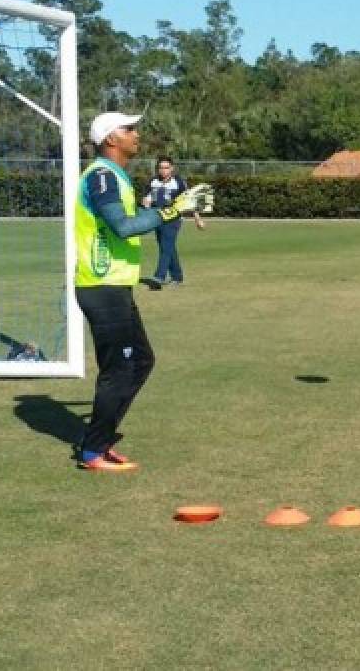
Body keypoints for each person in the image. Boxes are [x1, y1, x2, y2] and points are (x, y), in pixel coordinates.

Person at [73, 112, 213, 471]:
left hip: (115, 287)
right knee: (119, 368)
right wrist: (172, 211)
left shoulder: (116, 176)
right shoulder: (102, 177)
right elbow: (122, 227)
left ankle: (100, 440)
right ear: (110, 140)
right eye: (128, 129)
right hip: (101, 287)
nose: (136, 134)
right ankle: (92, 451)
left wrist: (170, 210)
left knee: (141, 361)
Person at [140, 155, 204, 289]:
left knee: (166, 246)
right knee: (167, 247)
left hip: (174, 219)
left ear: (172, 168)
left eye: (166, 168)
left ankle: (159, 277)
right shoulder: (152, 181)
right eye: (161, 168)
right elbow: (146, 198)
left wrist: (197, 219)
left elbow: (189, 200)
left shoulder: (179, 182)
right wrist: (146, 203)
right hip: (157, 217)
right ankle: (177, 277)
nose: (163, 170)